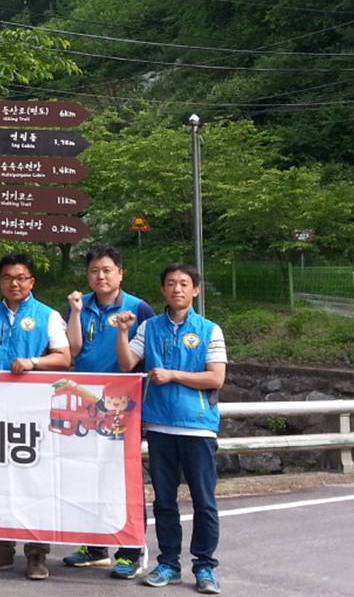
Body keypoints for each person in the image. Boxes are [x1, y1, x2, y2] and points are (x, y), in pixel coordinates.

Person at [0, 252, 71, 581]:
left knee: (37, 481)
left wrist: (34, 362)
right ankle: (2, 549)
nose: (14, 283)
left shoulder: (47, 315)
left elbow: (64, 357)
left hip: (36, 413)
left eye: (21, 278)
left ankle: (37, 552)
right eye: (7, 278)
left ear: (32, 281)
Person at [114, 263, 226, 595]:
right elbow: (126, 363)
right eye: (171, 283)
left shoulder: (209, 330)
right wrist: (121, 332)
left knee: (204, 501)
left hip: (198, 428)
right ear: (163, 289)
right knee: (164, 501)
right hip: (160, 426)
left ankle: (204, 567)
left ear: (195, 290)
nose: (177, 289)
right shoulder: (149, 327)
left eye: (184, 283)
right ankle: (168, 564)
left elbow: (216, 377)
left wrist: (173, 375)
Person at [61, 244, 156, 579]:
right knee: (88, 474)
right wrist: (75, 312)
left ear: (120, 273)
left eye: (106, 270)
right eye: (94, 271)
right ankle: (95, 546)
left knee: (123, 477)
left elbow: (146, 355)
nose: (100, 276)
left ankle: (130, 550)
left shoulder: (139, 308)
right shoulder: (79, 304)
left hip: (124, 405)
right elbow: (72, 350)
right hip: (86, 403)